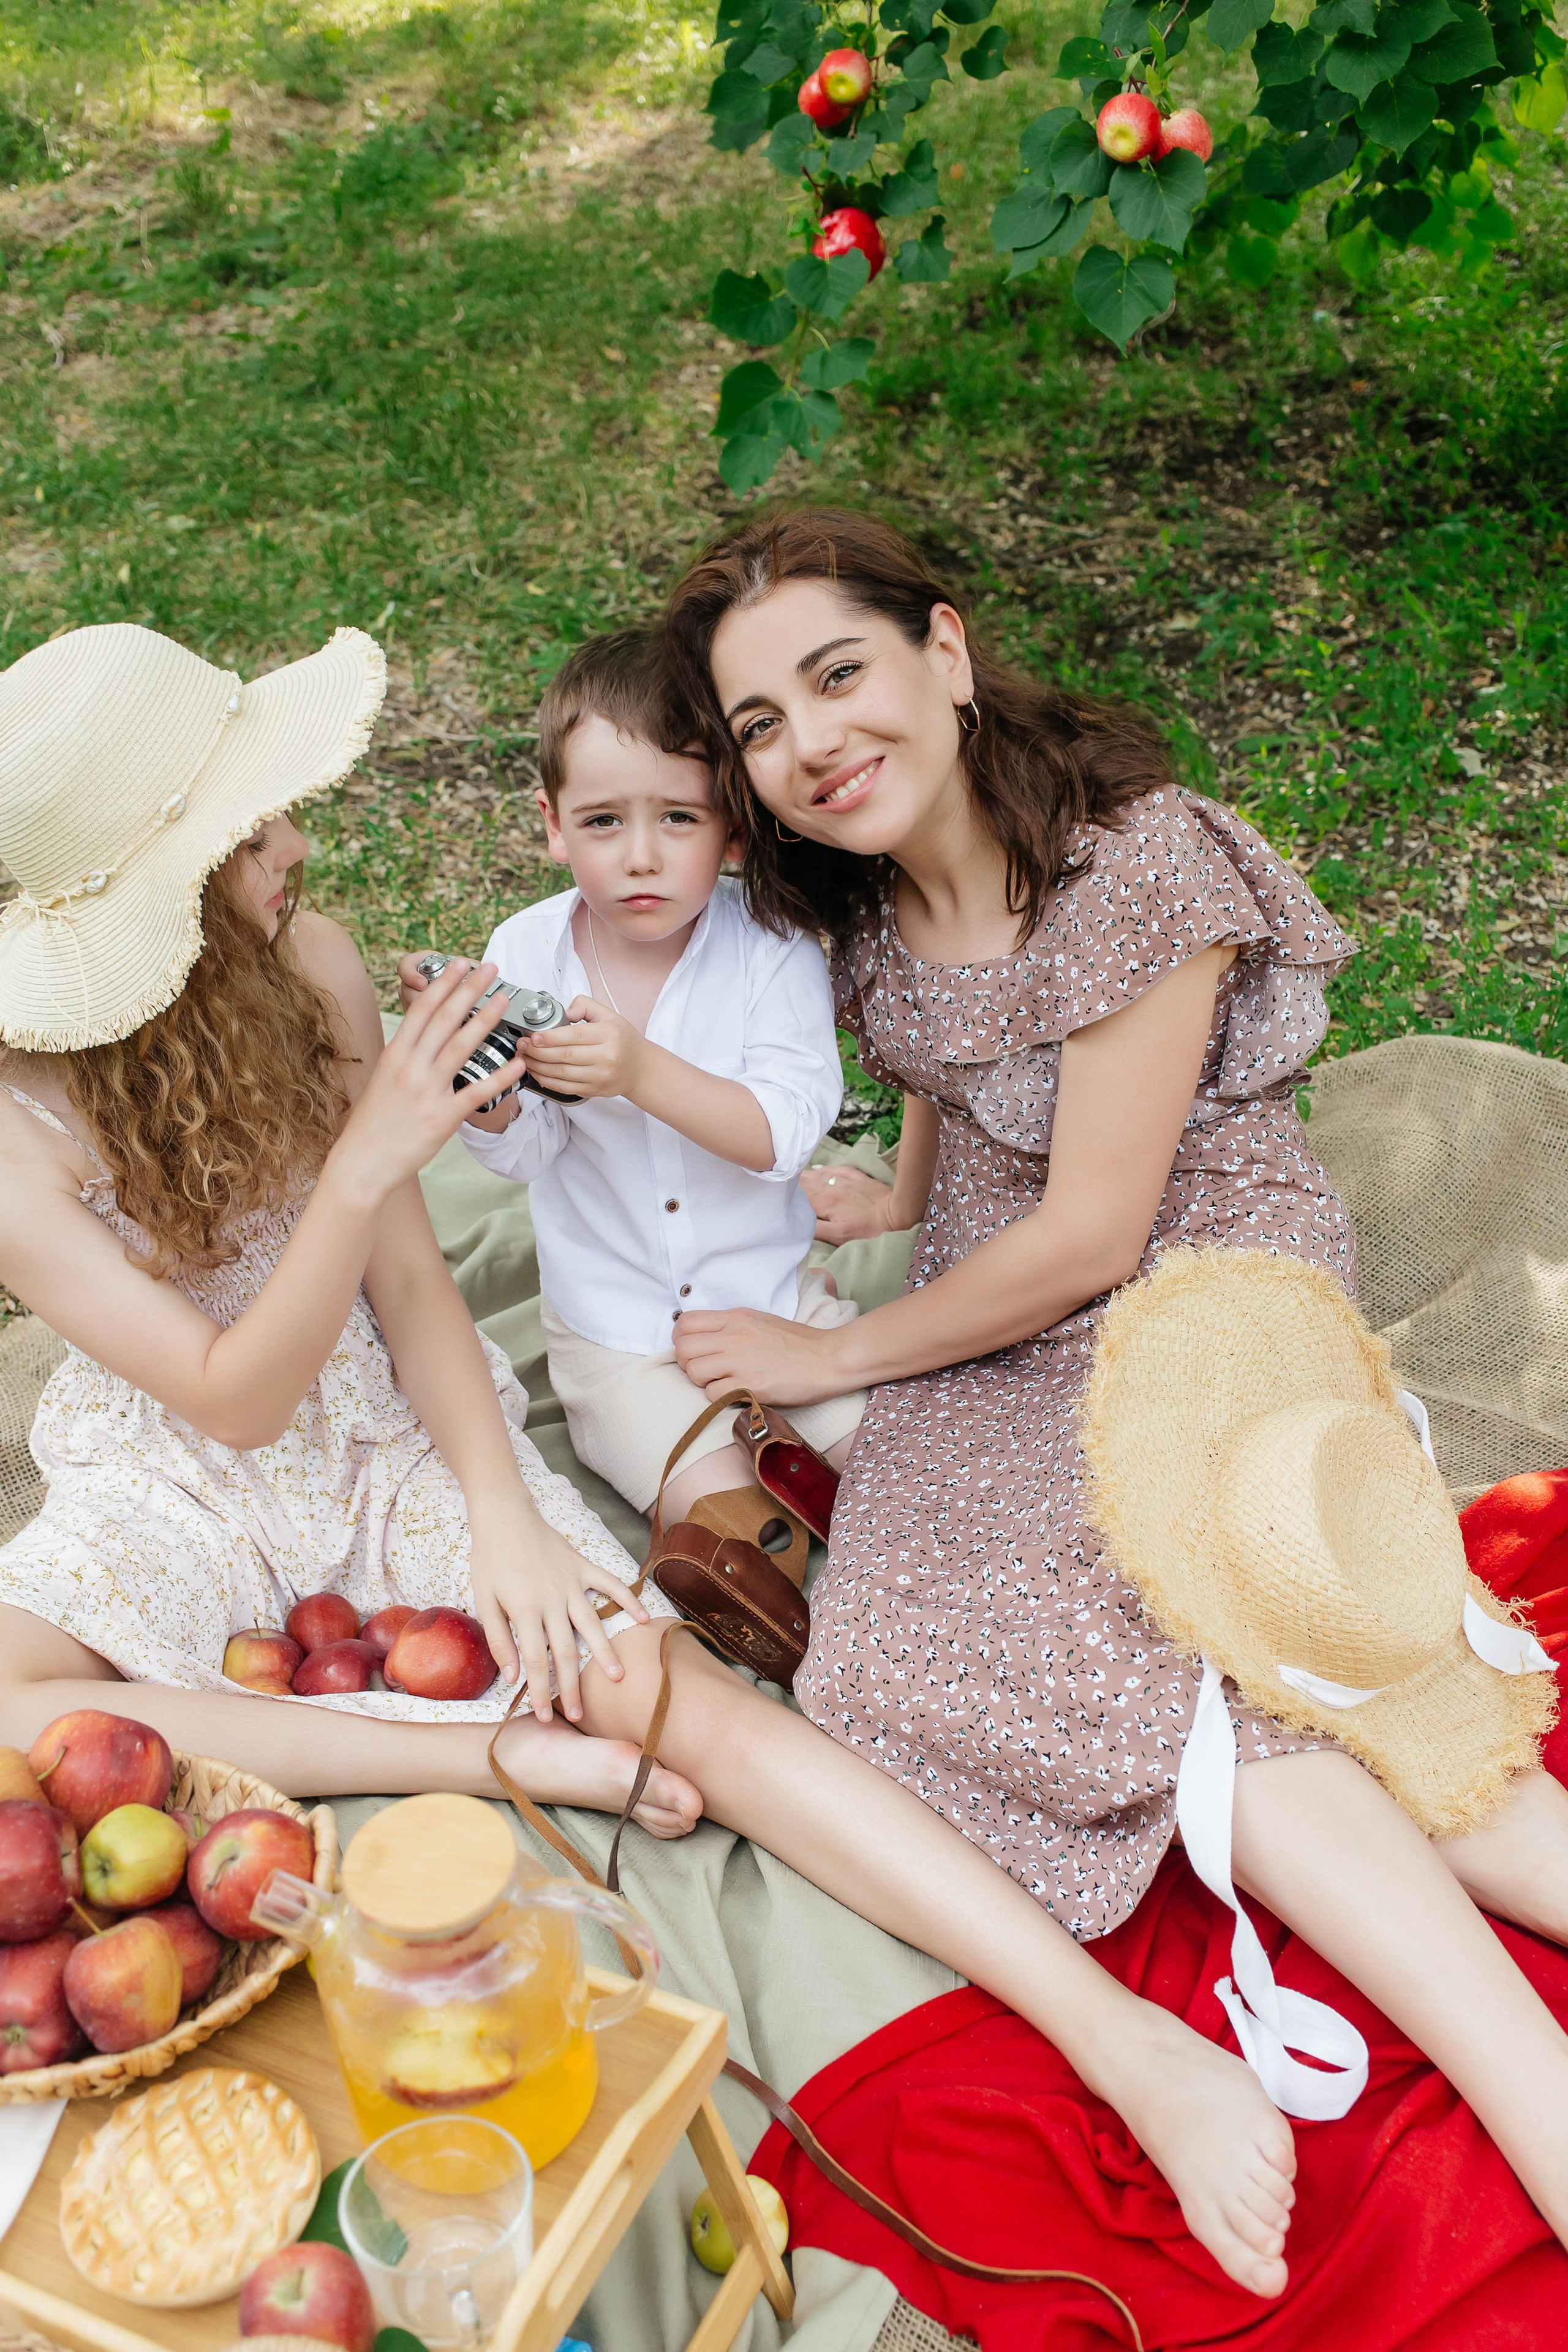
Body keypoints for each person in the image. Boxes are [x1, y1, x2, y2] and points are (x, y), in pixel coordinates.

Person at [567, 504, 1568, 2296]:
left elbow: (1100, 1227)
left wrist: (831, 1351)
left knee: (1210, 1618)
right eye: (764, 726)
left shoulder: (1137, 868)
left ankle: (1529, 2082)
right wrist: (901, 1190)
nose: (812, 744)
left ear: (945, 649)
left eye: (840, 675)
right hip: (993, 1288)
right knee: (886, 1661)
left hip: (1186, 1268)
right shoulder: (864, 891)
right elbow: (944, 1053)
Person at [0, 619, 695, 1831]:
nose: (301, 846)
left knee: (639, 1675)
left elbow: (414, 1287)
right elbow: (234, 1404)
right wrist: (366, 1163)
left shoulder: (310, 964)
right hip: (175, 1464)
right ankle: (475, 1754)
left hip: (377, 1417)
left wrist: (504, 1514)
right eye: (250, 836)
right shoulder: (17, 1124)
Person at [396, 626, 865, 1529]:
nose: (640, 855)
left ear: (732, 829)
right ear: (553, 825)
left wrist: (638, 1070)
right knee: (734, 1538)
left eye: (679, 818)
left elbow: (784, 1136)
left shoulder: (772, 947)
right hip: (616, 1335)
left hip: (773, 1302)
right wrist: (483, 1093)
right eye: (603, 821)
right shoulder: (528, 950)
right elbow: (531, 1153)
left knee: (899, 1480)